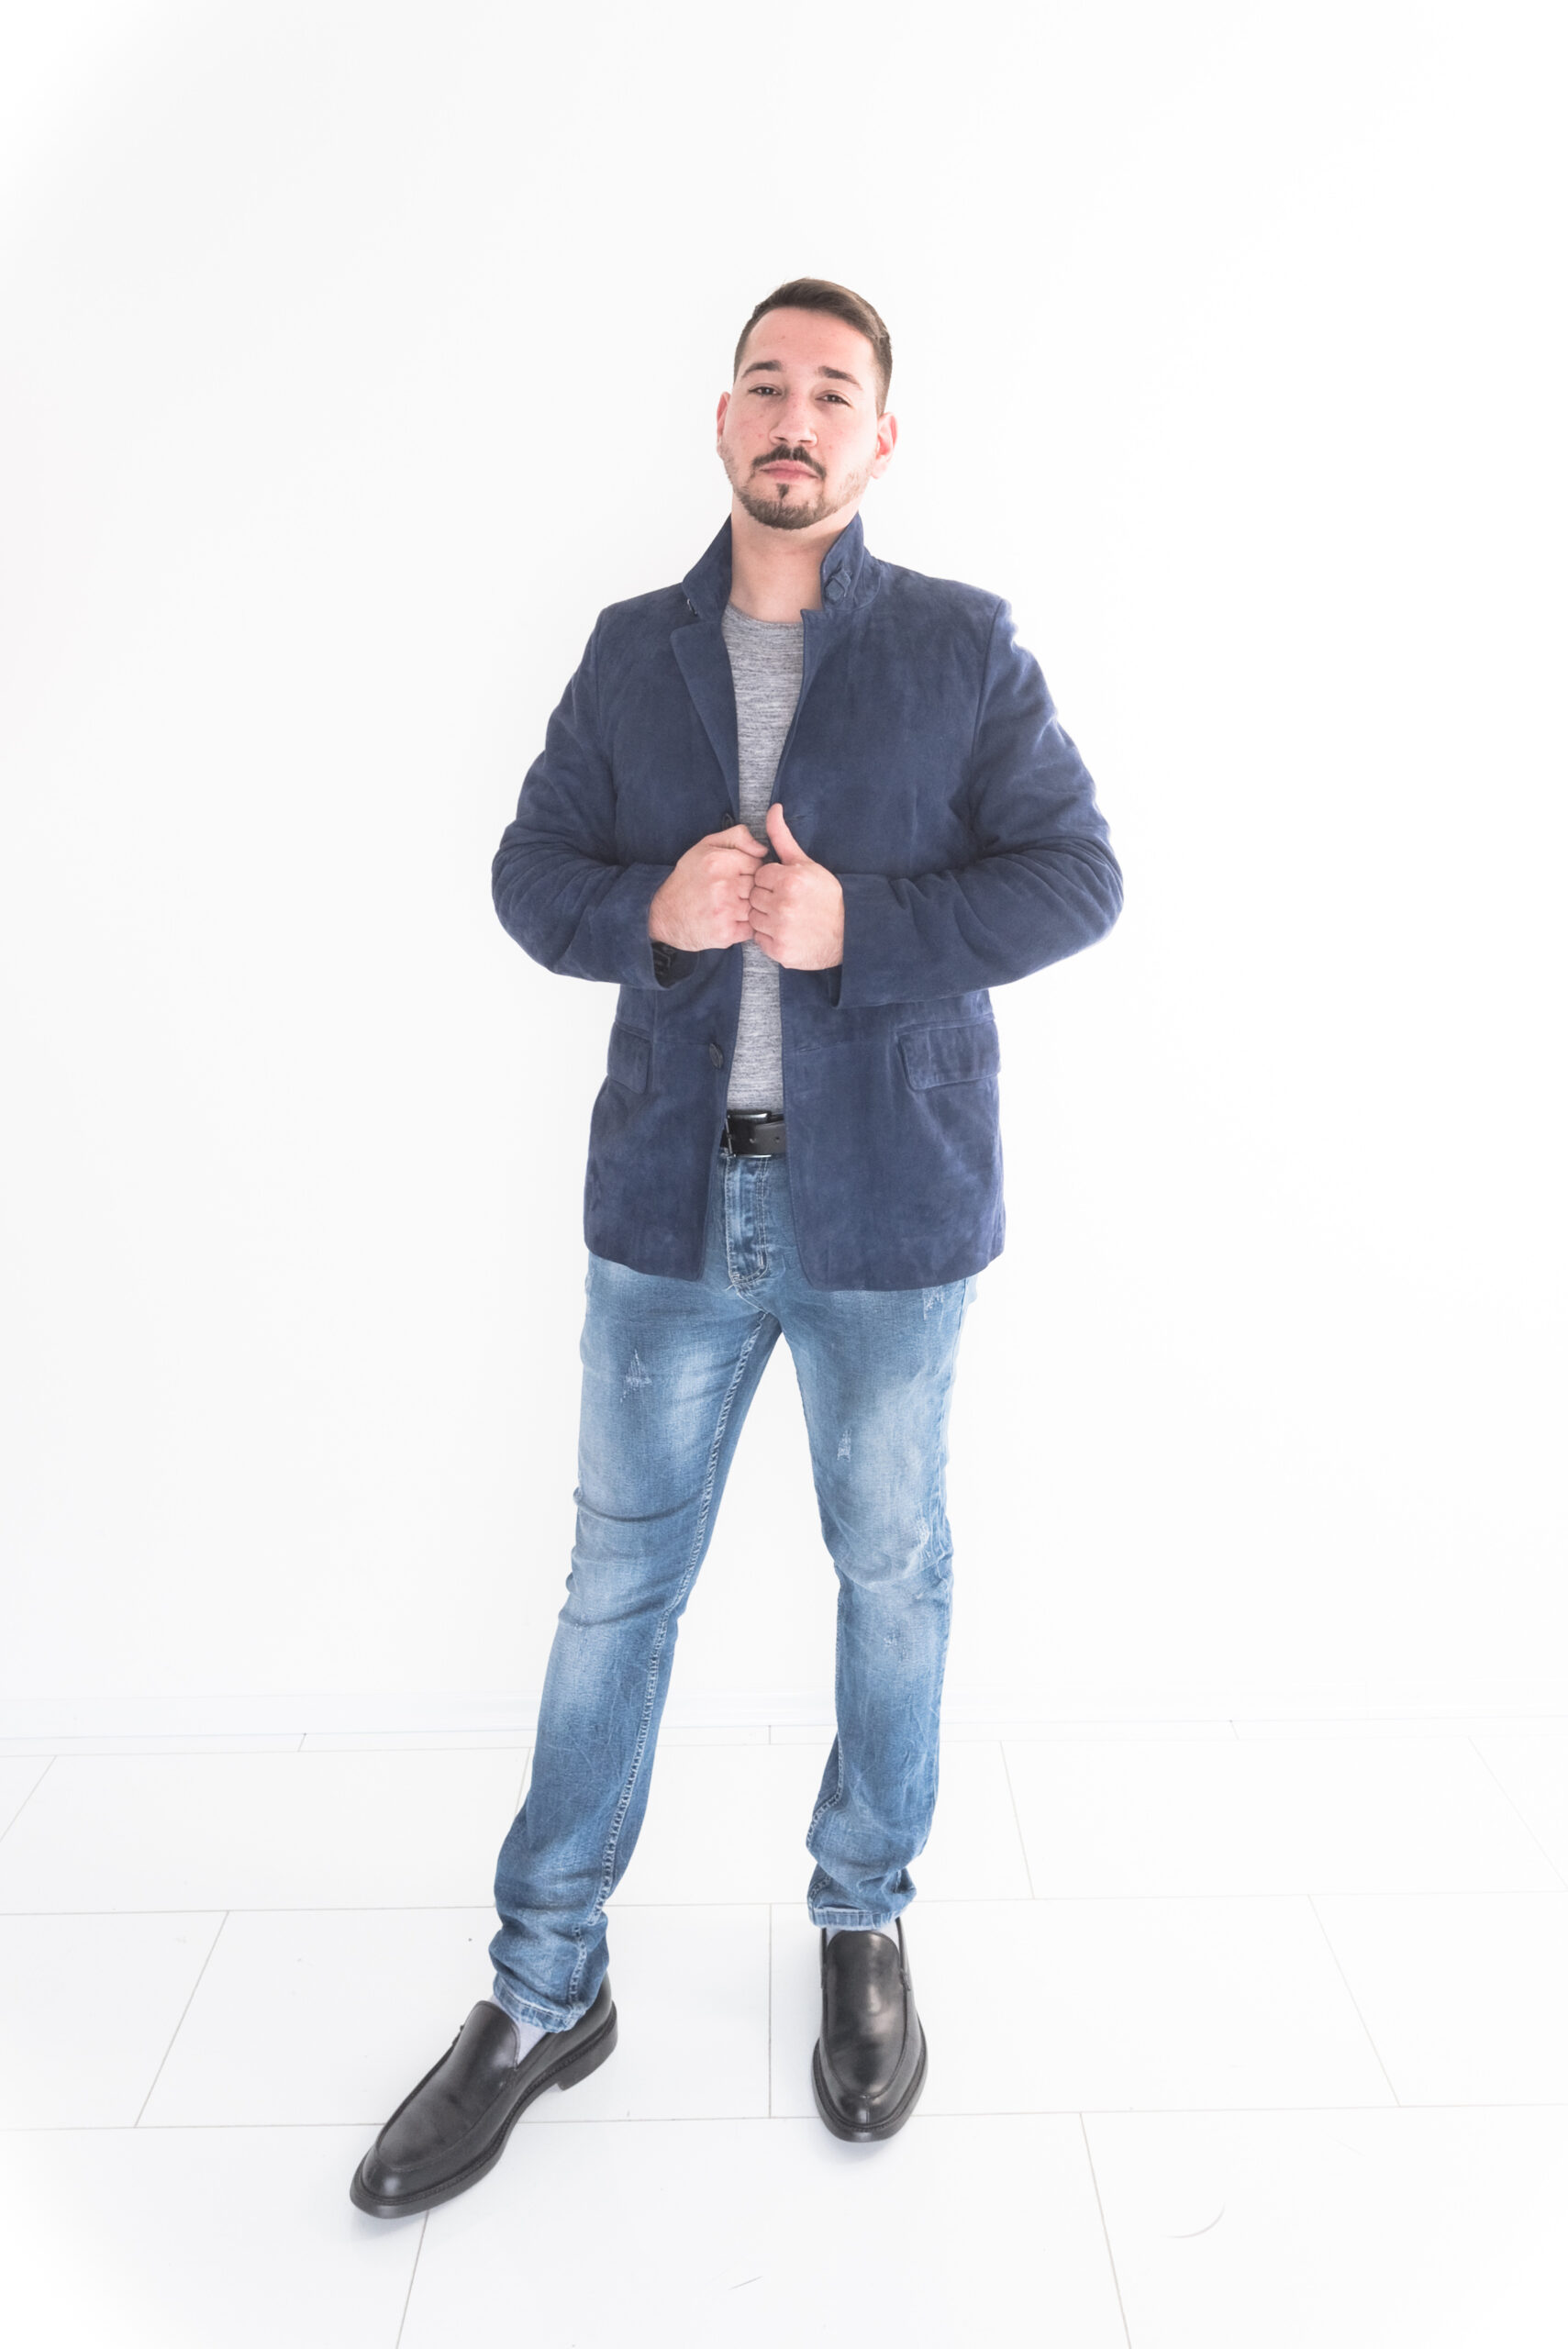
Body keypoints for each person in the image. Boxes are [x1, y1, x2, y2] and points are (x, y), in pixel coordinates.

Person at [350, 276, 1121, 2218]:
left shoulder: (959, 645)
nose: (795, 416)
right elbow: (528, 872)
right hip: (670, 1212)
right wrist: (658, 911)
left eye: (832, 392)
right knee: (615, 1590)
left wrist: (871, 929)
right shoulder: (631, 654)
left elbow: (1077, 875)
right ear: (721, 424)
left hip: (891, 1212)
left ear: (880, 440)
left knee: (892, 1572)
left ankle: (862, 1917)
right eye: (766, 385)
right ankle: (543, 1988)